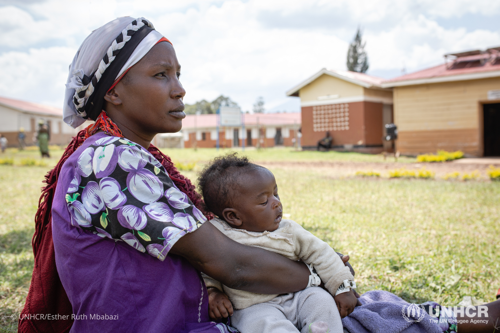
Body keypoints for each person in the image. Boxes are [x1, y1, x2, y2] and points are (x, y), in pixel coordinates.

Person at [19, 17, 315, 333]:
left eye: (178, 74)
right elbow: (229, 263)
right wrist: (317, 273)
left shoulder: (119, 153)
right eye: (161, 75)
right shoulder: (110, 159)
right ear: (114, 92)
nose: (179, 89)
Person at [198, 154, 358, 333]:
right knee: (264, 325)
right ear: (233, 216)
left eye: (275, 194)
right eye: (264, 201)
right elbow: (210, 268)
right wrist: (213, 294)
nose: (277, 203)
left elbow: (322, 254)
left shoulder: (289, 230)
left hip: (299, 295)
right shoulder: (219, 235)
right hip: (254, 307)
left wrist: (343, 288)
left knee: (321, 302)